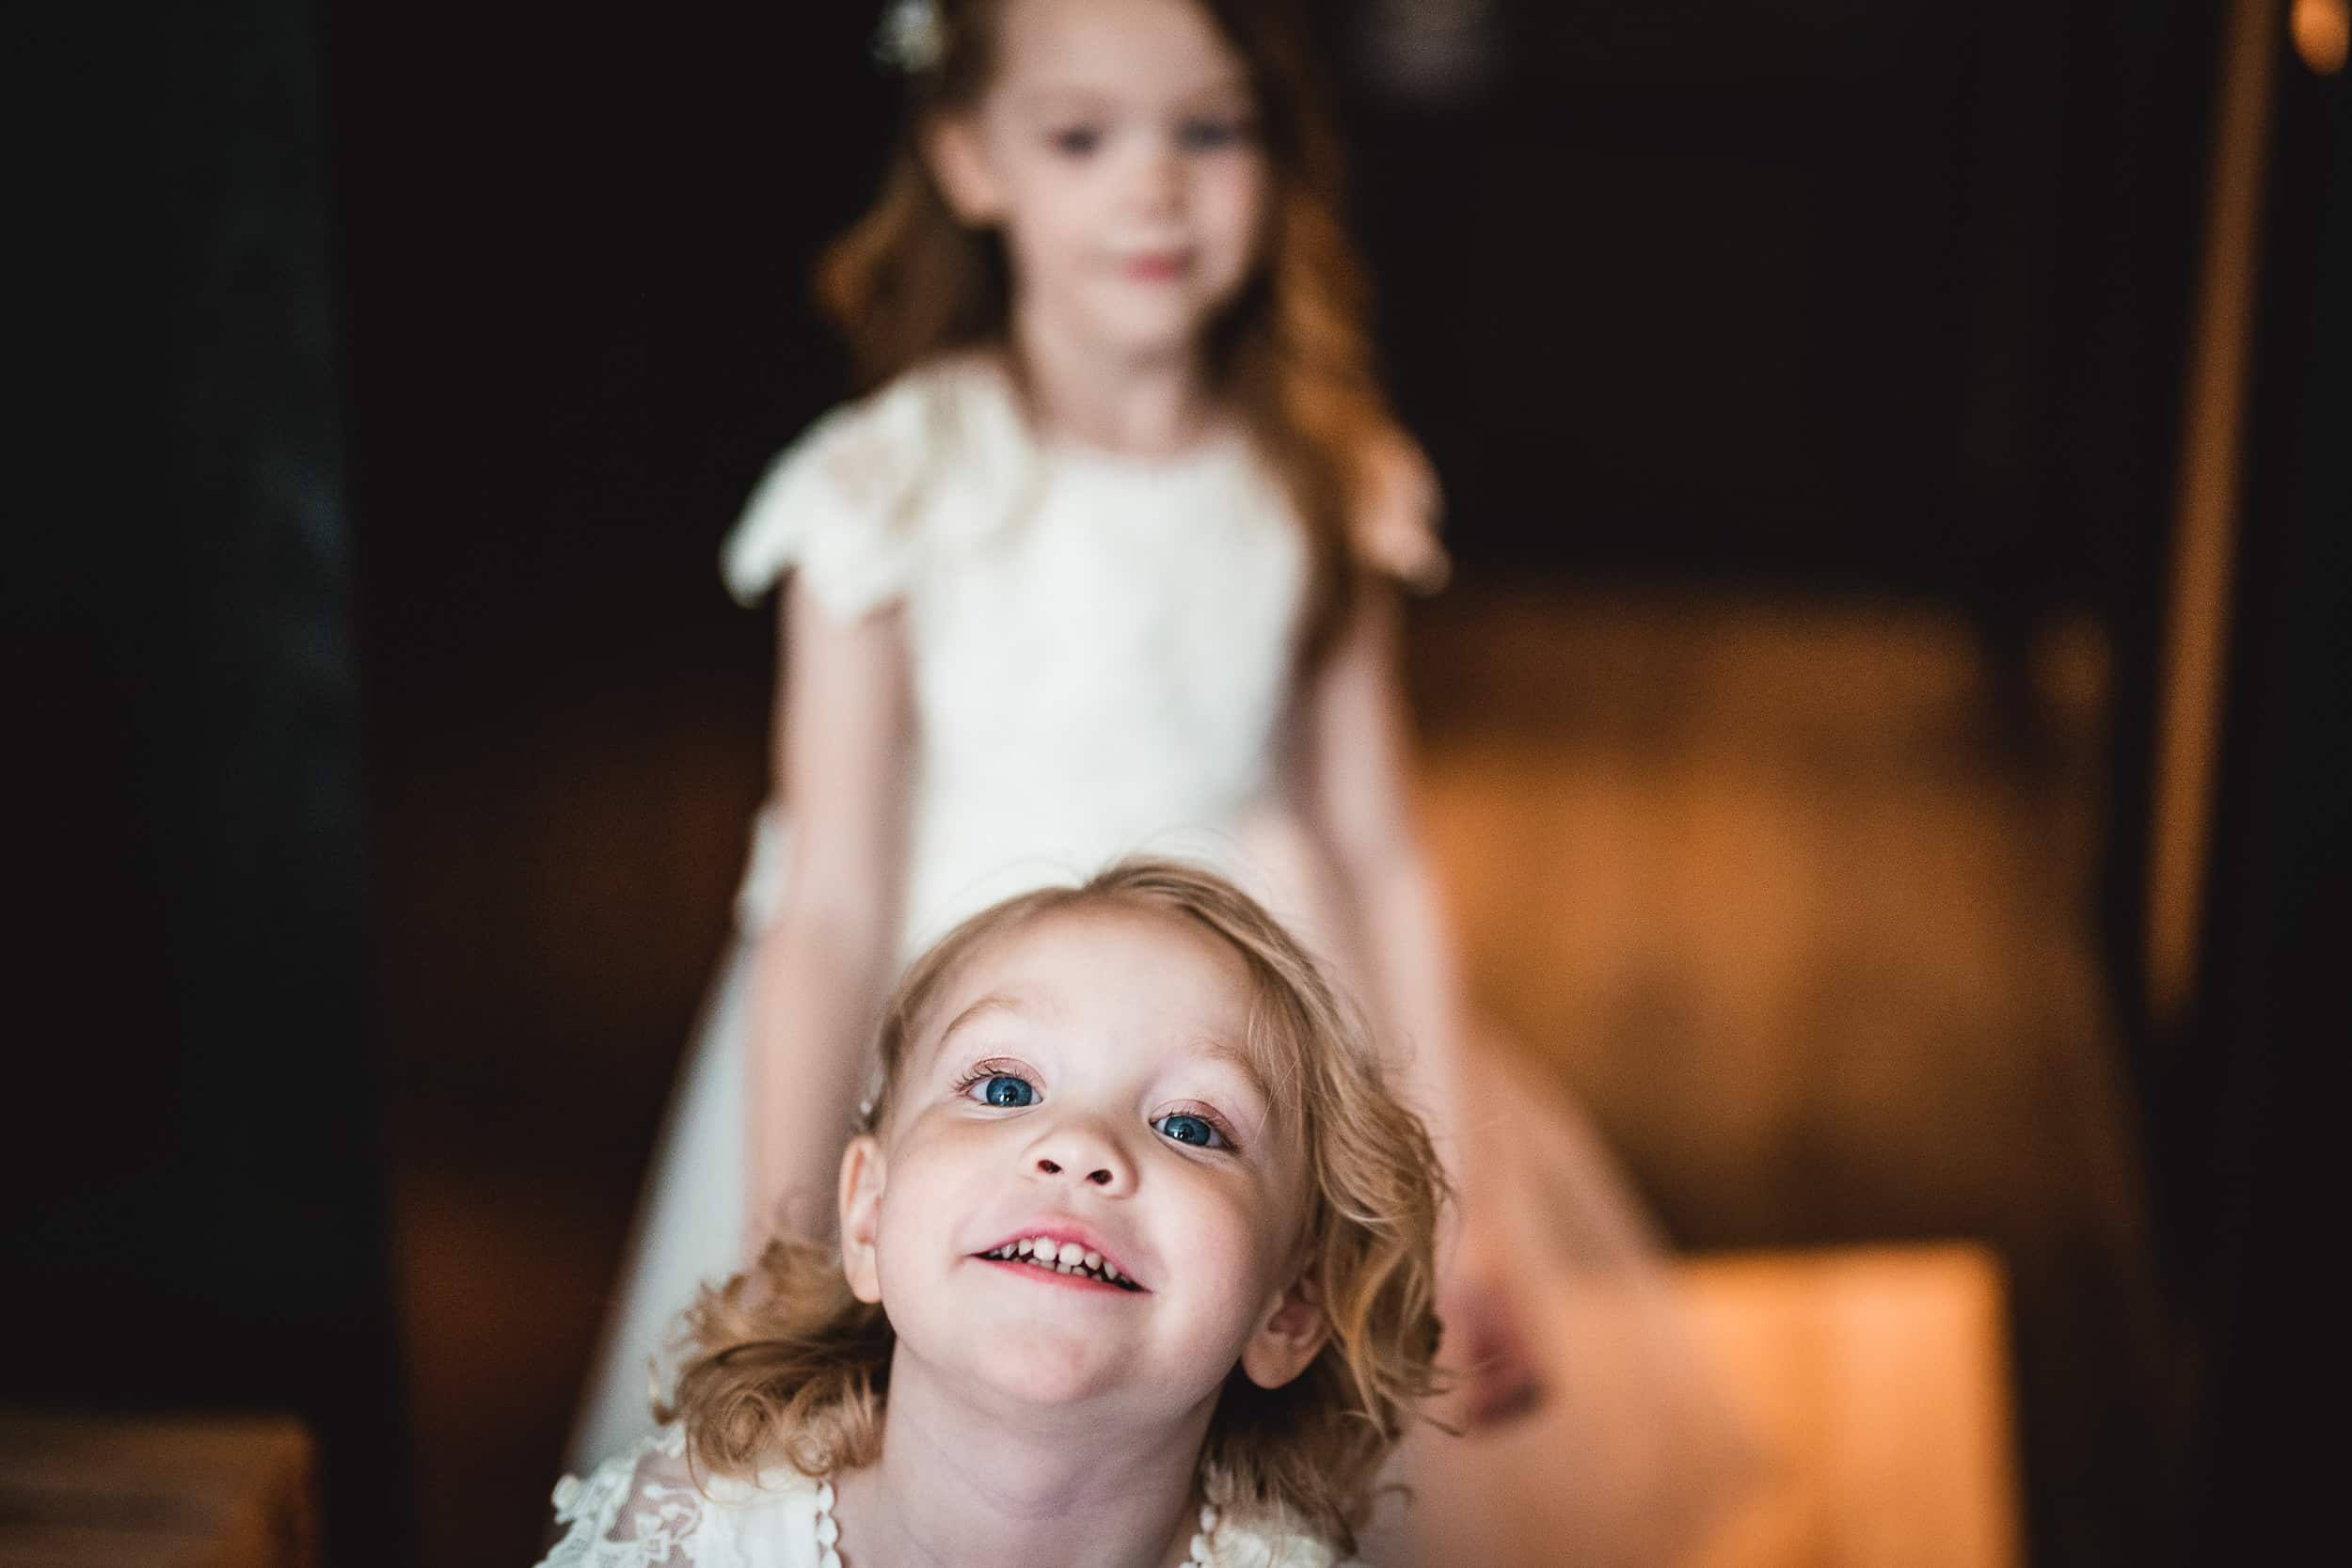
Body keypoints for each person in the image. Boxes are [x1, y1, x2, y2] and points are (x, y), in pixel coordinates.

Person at [573, 0, 1755, 1558]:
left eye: (1209, 131)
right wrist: (787, 1242)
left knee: (1274, 1460)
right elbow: (832, 896)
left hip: (1246, 1038)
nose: (1153, 190)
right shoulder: (883, 489)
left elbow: (1381, 849)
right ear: (969, 159)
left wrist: (1473, 1208)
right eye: (1083, 137)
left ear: (1278, 155)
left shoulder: (1320, 477)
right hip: (963, 1025)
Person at [541, 861, 1446, 1567]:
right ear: (867, 1214)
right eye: (1005, 1086)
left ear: (1290, 1305)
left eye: (1190, 1124)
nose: (1080, 1142)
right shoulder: (676, 1538)